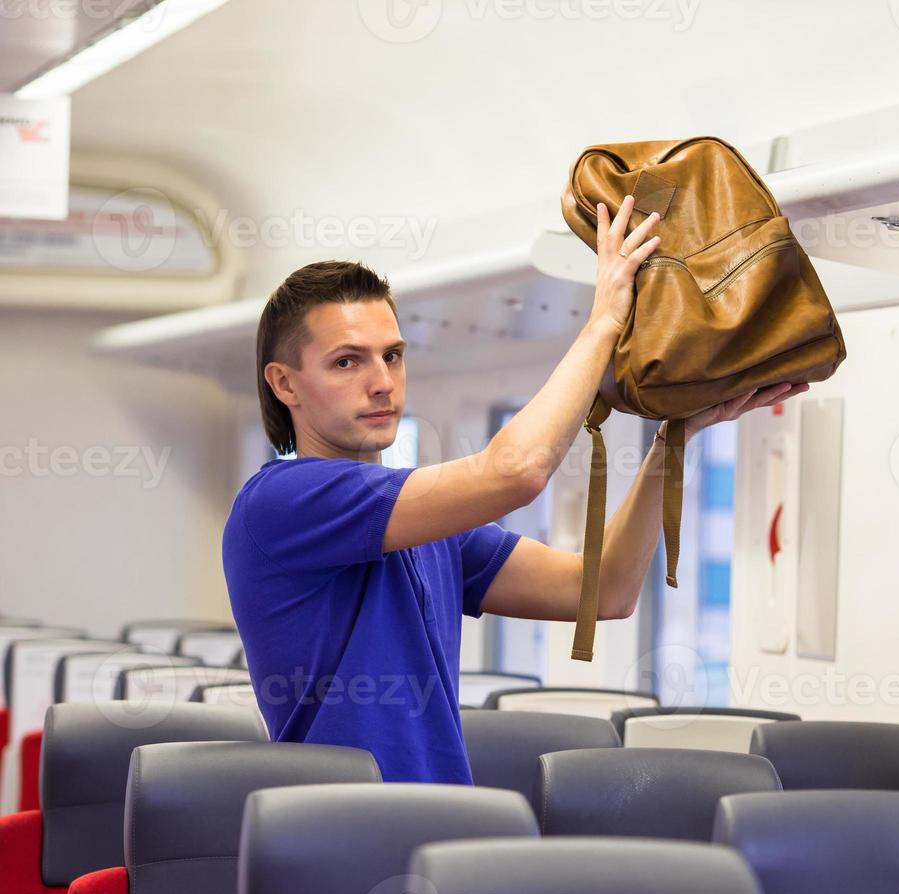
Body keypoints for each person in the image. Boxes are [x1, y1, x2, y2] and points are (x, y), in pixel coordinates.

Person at [222, 196, 806, 782]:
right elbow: (517, 471)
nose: (382, 382)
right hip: (341, 840)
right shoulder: (280, 502)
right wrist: (603, 321)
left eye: (393, 356)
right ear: (285, 384)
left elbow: (604, 591)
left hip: (444, 828)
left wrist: (672, 438)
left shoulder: (428, 527)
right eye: (347, 362)